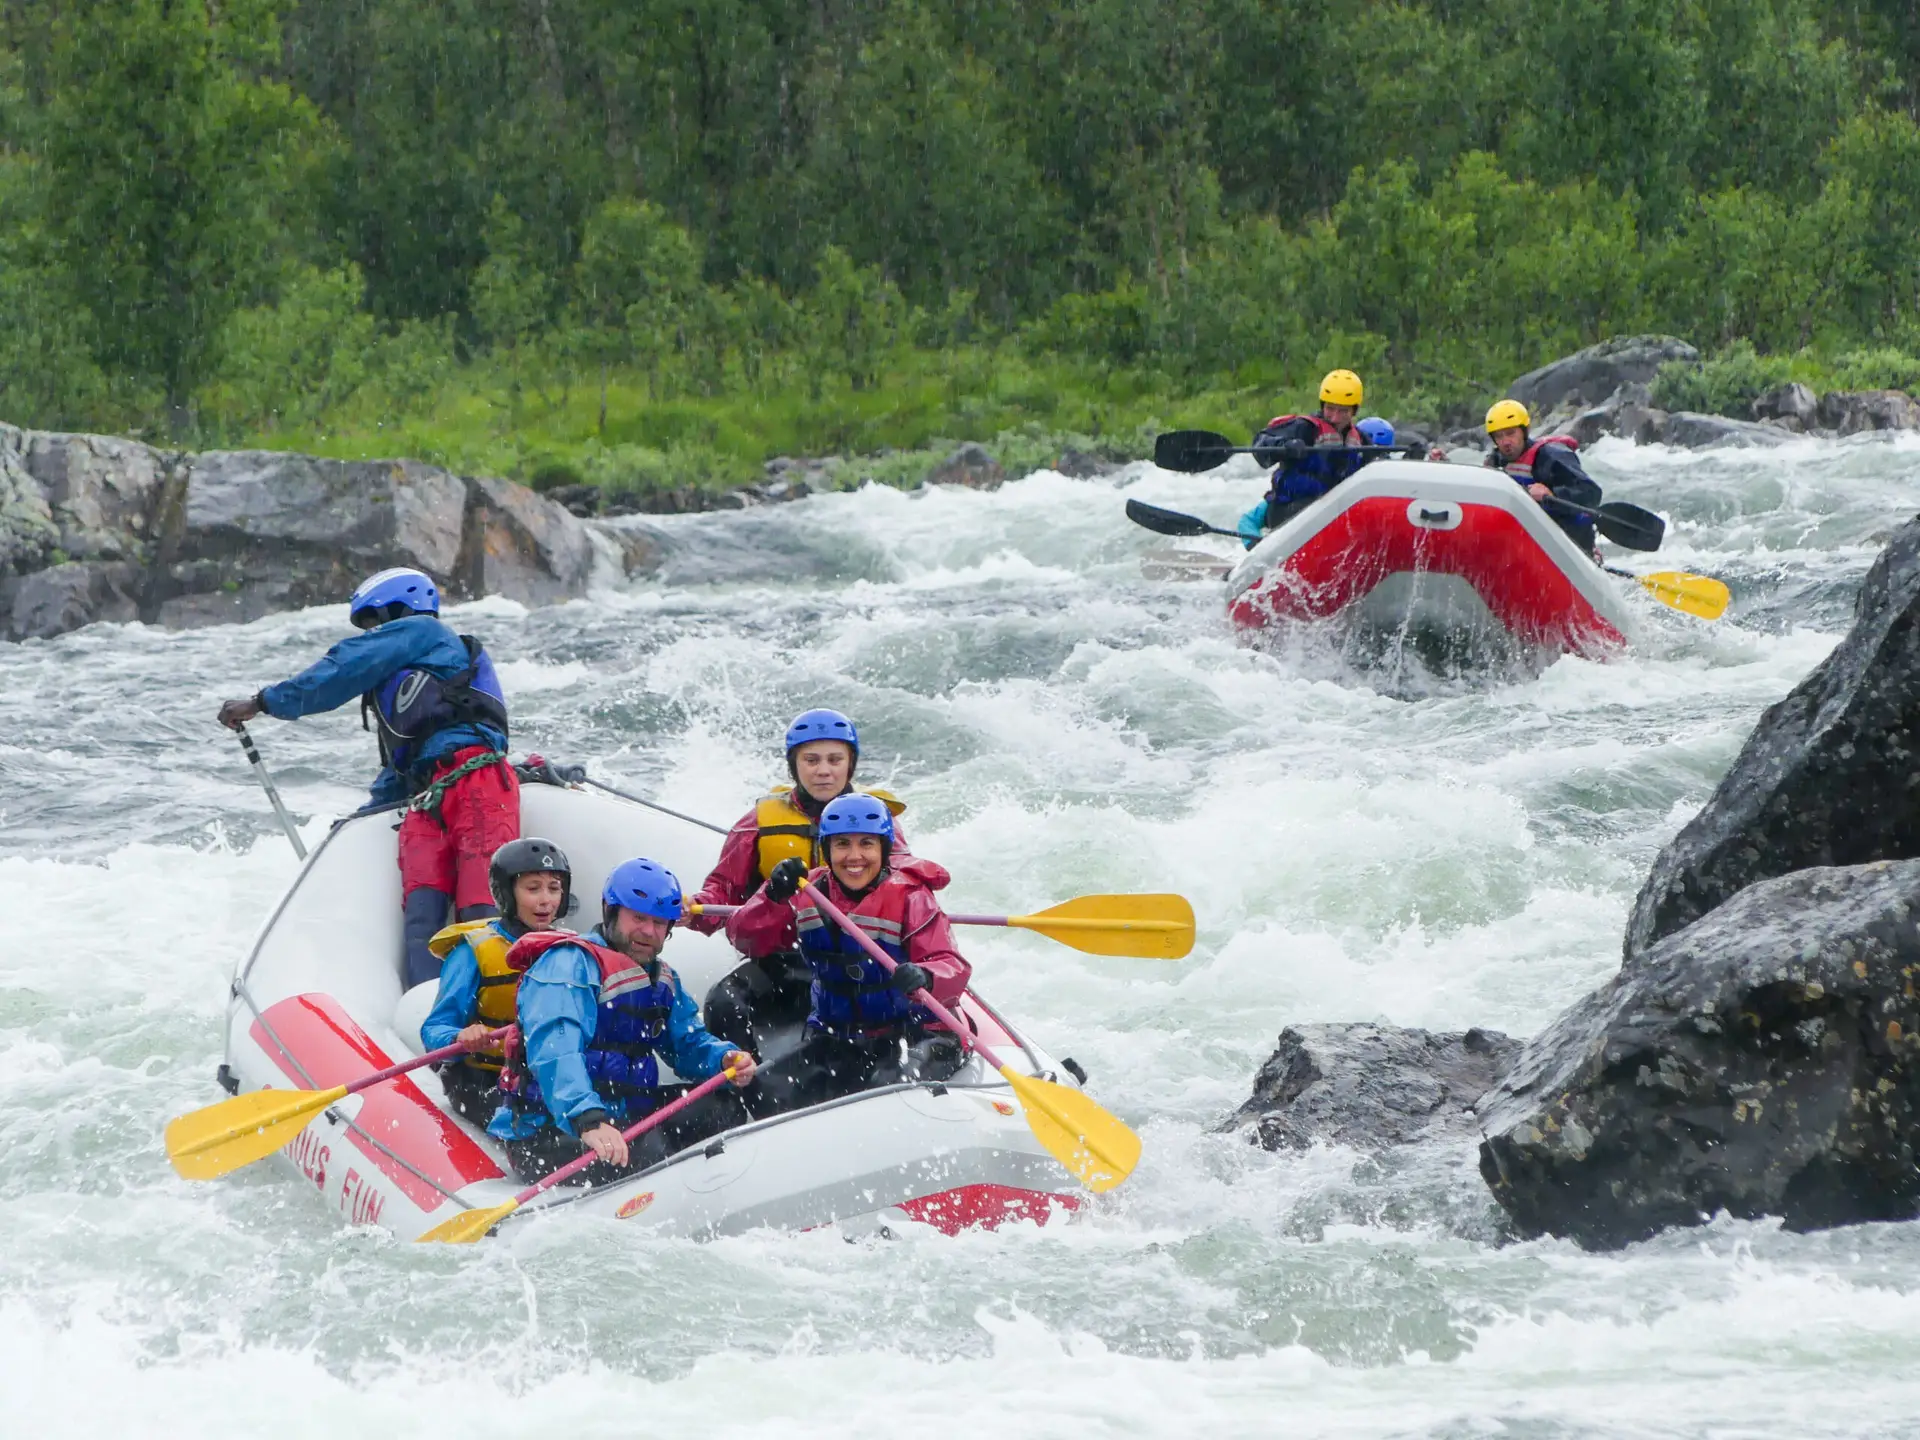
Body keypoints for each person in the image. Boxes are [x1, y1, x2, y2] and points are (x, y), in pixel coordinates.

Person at [217, 567, 518, 989]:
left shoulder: (422, 631)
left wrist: (263, 702)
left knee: (480, 910)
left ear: (399, 607)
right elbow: (400, 769)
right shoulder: (415, 665)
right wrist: (359, 821)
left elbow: (344, 668)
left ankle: (498, 1023)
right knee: (421, 919)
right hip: (426, 796)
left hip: (476, 782)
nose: (374, 633)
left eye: (376, 622)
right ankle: (428, 1022)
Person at [488, 858, 757, 1185]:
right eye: (638, 917)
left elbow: (687, 1045)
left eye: (660, 923)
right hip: (547, 1128)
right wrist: (587, 1119)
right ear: (610, 911)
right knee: (646, 1150)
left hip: (624, 1110)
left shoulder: (661, 979)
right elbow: (555, 1051)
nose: (648, 932)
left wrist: (723, 1058)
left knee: (722, 1109)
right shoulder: (568, 965)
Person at [725, 793, 970, 1116]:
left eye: (867, 844)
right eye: (842, 845)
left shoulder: (912, 896)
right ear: (826, 851)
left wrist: (927, 975)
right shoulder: (806, 889)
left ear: (884, 849)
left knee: (890, 1087)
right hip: (837, 1034)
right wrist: (771, 896)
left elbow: (953, 965)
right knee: (764, 1091)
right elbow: (742, 936)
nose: (854, 857)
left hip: (914, 1032)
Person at [687, 709, 906, 1057]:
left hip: (856, 965)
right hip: (783, 963)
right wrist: (694, 908)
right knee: (723, 1003)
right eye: (811, 760)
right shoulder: (758, 822)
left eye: (835, 759)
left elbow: (906, 883)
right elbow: (721, 891)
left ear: (850, 763)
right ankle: (747, 1090)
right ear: (794, 766)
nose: (823, 770)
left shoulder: (874, 820)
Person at [419, 837, 573, 1124]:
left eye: (554, 889)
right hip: (483, 1082)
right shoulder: (472, 952)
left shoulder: (568, 948)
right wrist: (459, 1037)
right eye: (533, 888)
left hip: (546, 1079)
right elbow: (434, 1030)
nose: (545, 900)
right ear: (507, 893)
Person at [1236, 370, 1373, 547]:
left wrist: (1410, 457)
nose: (1335, 417)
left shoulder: (1361, 441)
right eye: (1330, 408)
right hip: (1289, 510)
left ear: (1354, 410)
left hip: (1331, 514)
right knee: (1321, 512)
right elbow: (1261, 444)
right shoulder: (1303, 427)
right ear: (1323, 405)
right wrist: (1285, 446)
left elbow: (1381, 468)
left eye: (1343, 411)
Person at [1480, 399, 1603, 555]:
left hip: (1570, 543)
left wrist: (1552, 495)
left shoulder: (1551, 457)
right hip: (1529, 543)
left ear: (1524, 431)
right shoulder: (1496, 461)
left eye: (1511, 433)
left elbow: (1591, 493)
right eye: (1499, 436)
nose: (1505, 442)